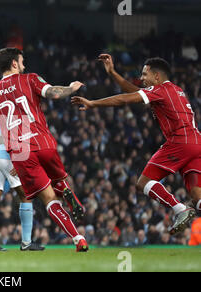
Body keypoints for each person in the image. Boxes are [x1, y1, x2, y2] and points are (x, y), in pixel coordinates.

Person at [71, 54, 199, 235]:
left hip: (180, 141)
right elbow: (133, 91)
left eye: (145, 74)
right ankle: (184, 207)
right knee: (197, 197)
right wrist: (112, 73)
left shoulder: (161, 90)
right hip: (196, 142)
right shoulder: (175, 90)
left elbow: (125, 98)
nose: (141, 78)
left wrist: (93, 103)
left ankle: (180, 209)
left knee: (144, 183)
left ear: (157, 76)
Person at [0, 47, 88, 252]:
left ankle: (78, 238)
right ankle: (64, 189)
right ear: (14, 63)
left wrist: (11, 140)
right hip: (43, 143)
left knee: (48, 200)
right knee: (57, 182)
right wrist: (71, 87)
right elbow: (54, 94)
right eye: (22, 61)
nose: (24, 65)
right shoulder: (30, 79)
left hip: (20, 152)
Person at [0, 120, 44, 251]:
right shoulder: (17, 110)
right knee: (26, 196)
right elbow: (22, 138)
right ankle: (26, 242)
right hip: (7, 156)